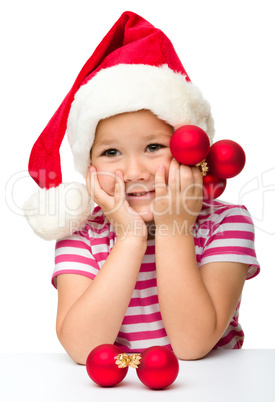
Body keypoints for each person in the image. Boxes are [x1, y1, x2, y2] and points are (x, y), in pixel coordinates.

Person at [24, 12, 260, 365]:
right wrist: (131, 236)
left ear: (190, 149)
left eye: (153, 147)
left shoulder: (227, 224)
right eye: (111, 152)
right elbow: (81, 348)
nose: (134, 171)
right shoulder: (83, 234)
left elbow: (193, 344)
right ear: (89, 168)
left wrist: (172, 226)